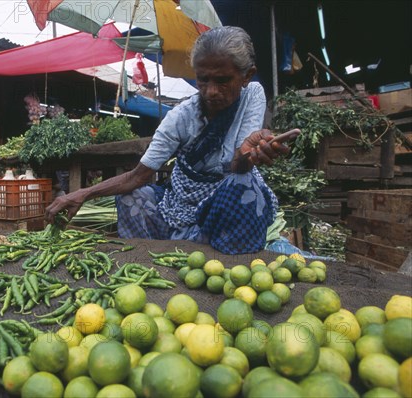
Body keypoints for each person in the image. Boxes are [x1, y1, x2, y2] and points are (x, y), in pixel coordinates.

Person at [45, 26, 298, 255]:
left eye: (222, 81)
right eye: (203, 79)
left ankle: (231, 268)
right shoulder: (181, 117)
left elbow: (237, 166)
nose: (211, 91)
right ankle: (148, 262)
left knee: (243, 185)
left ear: (246, 76)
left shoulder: (252, 95)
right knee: (131, 197)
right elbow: (137, 177)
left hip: (223, 209)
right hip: (179, 208)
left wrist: (245, 157)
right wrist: (82, 194)